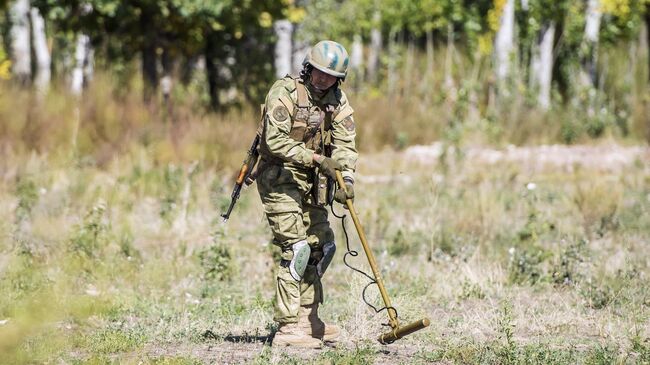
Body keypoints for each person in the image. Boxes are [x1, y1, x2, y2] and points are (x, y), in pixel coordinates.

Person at [256, 40, 357, 348]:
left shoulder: (337, 100)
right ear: (308, 68)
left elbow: (345, 143)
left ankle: (307, 319)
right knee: (296, 249)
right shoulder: (284, 93)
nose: (323, 79)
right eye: (319, 72)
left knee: (321, 246)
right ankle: (288, 330)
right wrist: (316, 159)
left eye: (330, 75)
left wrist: (346, 178)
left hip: (312, 183)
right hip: (279, 177)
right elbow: (274, 142)